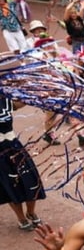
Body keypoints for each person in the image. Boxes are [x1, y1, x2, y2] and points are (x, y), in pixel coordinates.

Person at [0, 96, 45, 230]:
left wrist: (36, 94)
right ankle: (21, 218)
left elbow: (20, 103)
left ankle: (31, 212)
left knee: (30, 179)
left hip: (13, 146)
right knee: (9, 185)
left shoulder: (3, 99)